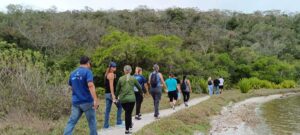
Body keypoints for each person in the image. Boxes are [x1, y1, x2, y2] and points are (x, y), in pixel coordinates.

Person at [64, 56, 99, 135]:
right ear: (88, 63)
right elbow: (90, 85)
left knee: (71, 122)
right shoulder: (88, 72)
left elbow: (70, 86)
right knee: (92, 122)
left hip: (76, 102)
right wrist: (95, 100)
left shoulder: (72, 73)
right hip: (87, 102)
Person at [116, 65, 143, 134]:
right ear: (130, 71)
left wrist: (116, 97)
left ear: (124, 71)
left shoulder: (120, 79)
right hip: (131, 99)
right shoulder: (133, 78)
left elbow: (117, 89)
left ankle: (129, 126)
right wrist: (141, 93)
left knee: (127, 113)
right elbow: (139, 87)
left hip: (123, 99)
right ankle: (127, 129)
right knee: (128, 113)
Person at [103, 62, 123, 129]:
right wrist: (113, 95)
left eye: (115, 67)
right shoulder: (111, 74)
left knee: (107, 110)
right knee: (120, 106)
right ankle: (119, 122)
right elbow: (111, 86)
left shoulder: (107, 74)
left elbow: (107, 85)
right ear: (110, 68)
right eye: (114, 67)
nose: (115, 68)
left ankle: (106, 125)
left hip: (106, 94)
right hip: (111, 94)